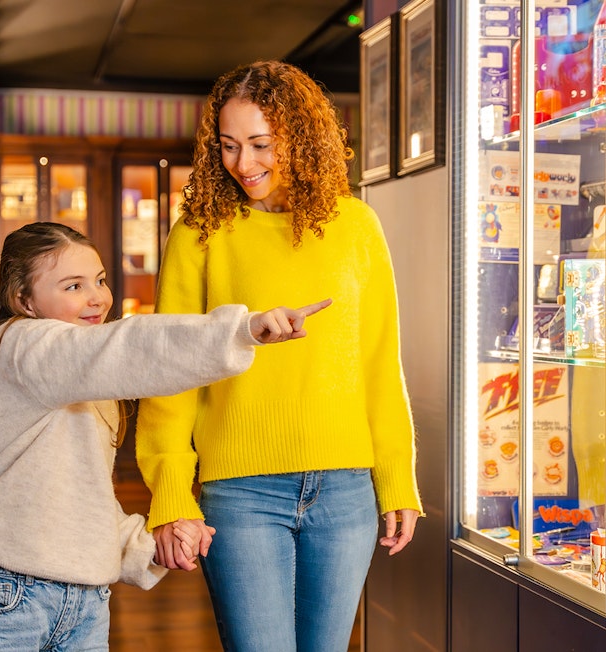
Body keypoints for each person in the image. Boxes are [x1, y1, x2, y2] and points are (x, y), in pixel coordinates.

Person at [135, 60, 423, 652]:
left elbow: (378, 366)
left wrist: (397, 479)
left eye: (261, 144)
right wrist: (170, 490)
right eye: (230, 146)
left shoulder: (357, 229)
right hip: (239, 492)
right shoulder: (200, 232)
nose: (244, 164)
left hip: (346, 490)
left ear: (302, 138)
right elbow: (171, 371)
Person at [0, 221, 328, 651]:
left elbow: (83, 501)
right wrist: (241, 330)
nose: (97, 298)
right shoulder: (21, 344)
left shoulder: (76, 378)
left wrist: (148, 549)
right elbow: (128, 345)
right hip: (7, 596)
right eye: (73, 286)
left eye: (100, 280)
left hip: (84, 601)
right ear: (24, 300)